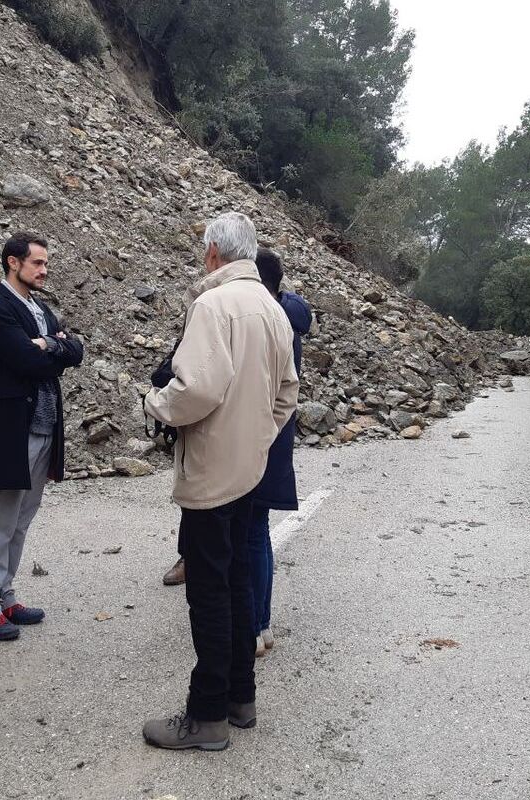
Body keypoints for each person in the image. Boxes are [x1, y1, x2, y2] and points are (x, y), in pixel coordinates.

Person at [141, 212, 299, 751]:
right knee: (237, 583)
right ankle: (240, 699)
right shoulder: (274, 310)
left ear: (213, 253)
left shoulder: (212, 305)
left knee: (208, 591)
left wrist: (155, 404)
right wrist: (256, 436)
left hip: (211, 470)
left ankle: (206, 715)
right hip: (250, 466)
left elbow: (196, 390)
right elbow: (286, 395)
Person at [0, 232, 84, 641]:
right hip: (10, 430)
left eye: (45, 263)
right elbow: (24, 360)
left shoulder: (41, 309)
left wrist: (48, 345)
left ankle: (5, 596)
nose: (44, 270)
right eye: (37, 263)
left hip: (43, 426)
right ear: (13, 263)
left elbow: (76, 352)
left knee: (20, 521)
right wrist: (55, 349)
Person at [246, 248, 312, 657]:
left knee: (249, 534)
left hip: (256, 438)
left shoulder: (265, 321)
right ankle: (262, 624)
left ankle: (252, 626)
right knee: (258, 533)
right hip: (278, 436)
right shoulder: (290, 315)